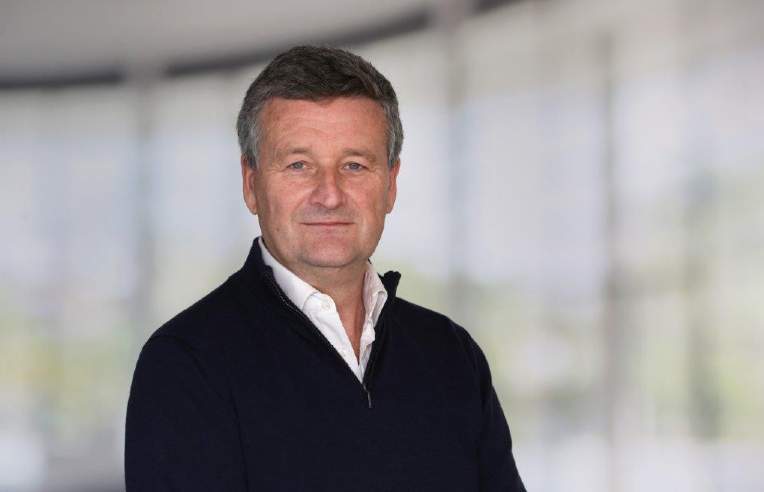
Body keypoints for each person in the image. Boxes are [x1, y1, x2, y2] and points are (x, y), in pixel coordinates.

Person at [125, 45, 526, 491]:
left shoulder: (452, 355)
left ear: (390, 185)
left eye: (354, 165)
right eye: (299, 165)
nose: (330, 194)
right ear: (251, 183)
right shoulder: (186, 363)